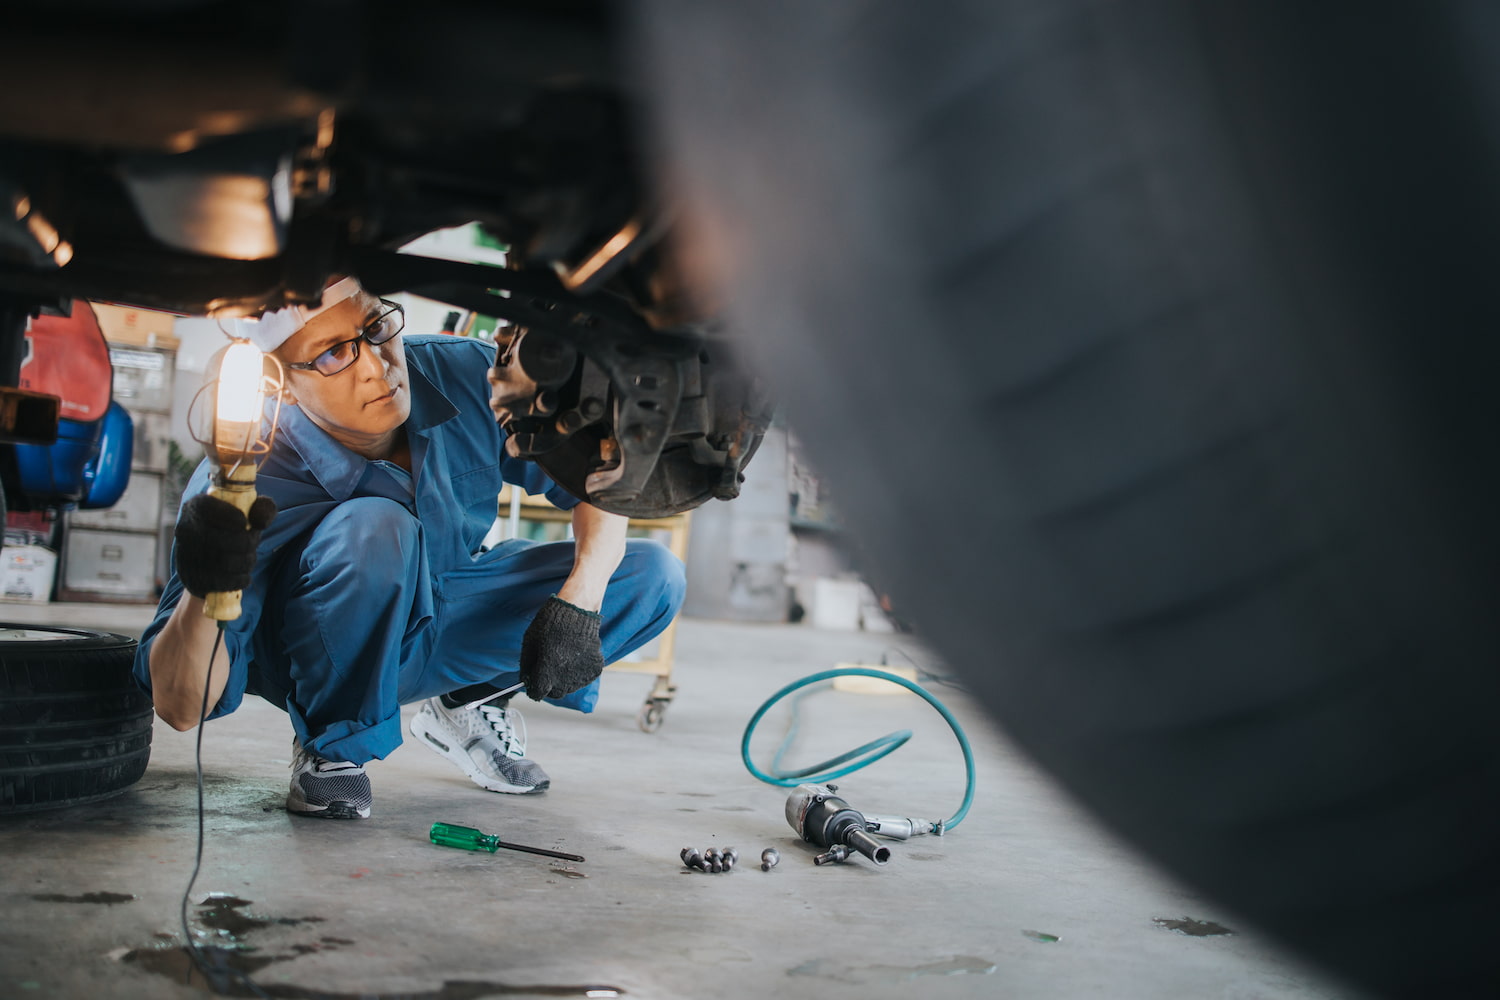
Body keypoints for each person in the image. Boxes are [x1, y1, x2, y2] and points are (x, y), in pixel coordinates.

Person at [134, 276, 686, 819]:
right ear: (279, 382)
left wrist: (581, 599)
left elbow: (597, 476)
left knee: (652, 576)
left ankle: (466, 698)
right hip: (316, 652)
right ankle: (332, 747)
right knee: (377, 528)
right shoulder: (242, 472)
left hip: (439, 617)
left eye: (376, 327)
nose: (376, 366)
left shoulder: (467, 376)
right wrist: (208, 587)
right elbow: (180, 706)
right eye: (332, 355)